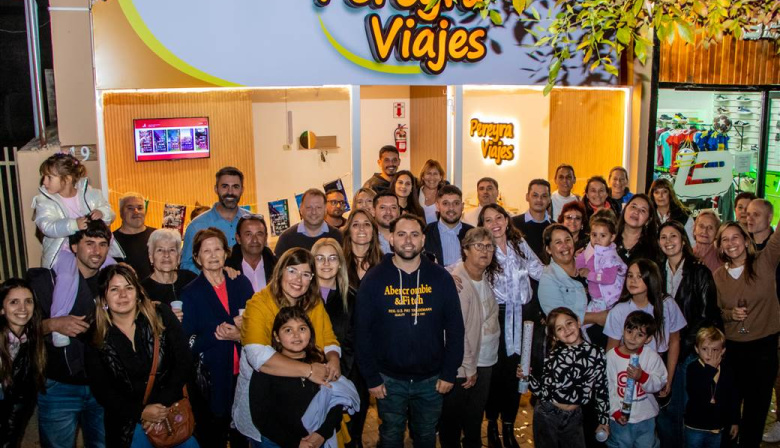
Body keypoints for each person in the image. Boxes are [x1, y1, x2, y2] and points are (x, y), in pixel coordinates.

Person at [355, 213, 464, 448]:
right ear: (391, 239)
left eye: (414, 234)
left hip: (432, 379)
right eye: (401, 234)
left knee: (426, 435)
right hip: (388, 379)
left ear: (423, 240)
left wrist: (449, 373)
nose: (408, 240)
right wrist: (371, 377)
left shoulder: (441, 278)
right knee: (390, 435)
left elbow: (456, 329)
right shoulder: (373, 280)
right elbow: (362, 333)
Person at [85, 264, 198, 448]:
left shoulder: (162, 315)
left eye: (129, 288)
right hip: (128, 425)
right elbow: (102, 390)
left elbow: (184, 361)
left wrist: (160, 408)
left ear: (138, 293)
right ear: (104, 298)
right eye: (114, 289)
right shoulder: (96, 335)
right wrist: (141, 412)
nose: (123, 295)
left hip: (171, 414)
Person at [27, 220, 112, 447]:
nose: (97, 251)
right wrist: (52, 324)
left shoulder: (113, 282)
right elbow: (20, 331)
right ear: (74, 246)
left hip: (103, 384)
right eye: (89, 243)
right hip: (60, 386)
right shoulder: (47, 281)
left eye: (103, 244)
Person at [33, 153, 122, 348]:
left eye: (49, 177)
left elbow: (109, 211)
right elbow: (46, 225)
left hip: (87, 247)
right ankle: (59, 324)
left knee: (117, 273)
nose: (44, 182)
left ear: (66, 179)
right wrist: (73, 224)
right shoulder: (44, 200)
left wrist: (102, 213)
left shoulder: (90, 193)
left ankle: (122, 316)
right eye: (44, 177)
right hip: (63, 250)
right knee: (67, 276)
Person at [181, 228, 254, 448]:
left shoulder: (240, 283)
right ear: (197, 258)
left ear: (226, 253)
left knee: (244, 436)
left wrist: (240, 335)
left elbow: (258, 328)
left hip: (245, 374)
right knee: (214, 437)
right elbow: (187, 343)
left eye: (218, 249)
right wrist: (217, 334)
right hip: (212, 379)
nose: (213, 255)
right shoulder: (190, 292)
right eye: (206, 251)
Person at [244, 307, 358, 448]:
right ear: (277, 336)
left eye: (302, 329)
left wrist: (322, 434)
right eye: (288, 330)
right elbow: (260, 415)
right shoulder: (267, 367)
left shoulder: (320, 363)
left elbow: (335, 403)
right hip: (277, 442)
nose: (296, 335)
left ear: (310, 332)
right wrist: (296, 443)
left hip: (316, 440)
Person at [478, 204, 543, 448]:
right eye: (488, 220)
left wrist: (566, 271)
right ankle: (492, 424)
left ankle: (508, 425)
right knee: (496, 374)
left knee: (518, 372)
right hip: (498, 317)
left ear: (506, 220)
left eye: (499, 217)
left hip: (524, 317)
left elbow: (539, 270)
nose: (495, 223)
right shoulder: (483, 248)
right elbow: (463, 269)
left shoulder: (519, 244)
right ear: (482, 225)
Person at [655, 221, 722, 447]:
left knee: (683, 408)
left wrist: (682, 346)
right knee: (663, 408)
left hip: (689, 351)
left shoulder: (699, 272)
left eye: (673, 236)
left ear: (683, 240)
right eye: (663, 237)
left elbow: (705, 315)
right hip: (661, 349)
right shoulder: (656, 271)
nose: (668, 241)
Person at [713, 221, 780, 447]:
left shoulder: (764, 261)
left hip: (763, 349)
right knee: (729, 411)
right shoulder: (718, 276)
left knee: (756, 413)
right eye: (725, 239)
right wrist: (730, 314)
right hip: (732, 351)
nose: (731, 243)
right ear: (720, 246)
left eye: (735, 237)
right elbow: (715, 313)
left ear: (745, 240)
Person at [439, 228, 500, 448]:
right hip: (463, 366)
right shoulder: (458, 282)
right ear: (465, 250)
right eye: (479, 246)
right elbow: (456, 331)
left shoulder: (484, 278)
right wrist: (468, 366)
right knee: (453, 421)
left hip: (485, 360)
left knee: (474, 419)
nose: (485, 251)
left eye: (489, 246)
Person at [240, 247, 341, 382]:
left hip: (307, 384)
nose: (298, 280)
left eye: (306, 274)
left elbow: (328, 338)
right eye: (292, 271)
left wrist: (334, 360)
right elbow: (257, 355)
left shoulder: (314, 302)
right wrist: (309, 370)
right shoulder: (258, 304)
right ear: (280, 271)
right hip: (263, 384)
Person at [604, 260, 686, 419]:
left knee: (658, 419)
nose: (633, 280)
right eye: (630, 276)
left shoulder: (666, 304)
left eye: (639, 276)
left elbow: (675, 341)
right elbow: (611, 351)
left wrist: (668, 379)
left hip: (657, 369)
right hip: (627, 372)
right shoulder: (619, 310)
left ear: (651, 279)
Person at [518, 307, 610, 448]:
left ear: (578, 322)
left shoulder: (596, 353)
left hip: (575, 416)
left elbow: (602, 388)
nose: (566, 330)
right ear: (555, 336)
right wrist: (527, 378)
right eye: (559, 328)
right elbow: (545, 391)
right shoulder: (554, 356)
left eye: (569, 323)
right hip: (547, 414)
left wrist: (604, 420)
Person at [311, 238, 367, 447]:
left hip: (349, 375)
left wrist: (339, 372)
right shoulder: (301, 296)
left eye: (332, 258)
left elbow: (358, 341)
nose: (326, 264)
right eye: (320, 258)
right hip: (309, 377)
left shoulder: (353, 298)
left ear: (340, 263)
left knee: (350, 438)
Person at [605, 311, 668, 448]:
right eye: (629, 331)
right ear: (623, 331)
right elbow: (608, 388)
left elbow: (661, 381)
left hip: (646, 417)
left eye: (640, 335)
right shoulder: (611, 357)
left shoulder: (651, 357)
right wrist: (615, 412)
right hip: (619, 418)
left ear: (648, 339)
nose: (632, 338)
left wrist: (642, 377)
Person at [0, 279, 46, 446]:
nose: (23, 308)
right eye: (14, 302)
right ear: (2, 309)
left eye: (28, 301)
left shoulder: (30, 341)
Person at [181, 167, 251, 273]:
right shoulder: (196, 226)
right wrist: (214, 275)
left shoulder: (253, 222)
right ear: (216, 189)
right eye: (225, 186)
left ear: (242, 190)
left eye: (235, 187)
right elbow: (186, 266)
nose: (230, 192)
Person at [685, 327, 739, 448]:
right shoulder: (693, 368)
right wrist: (710, 369)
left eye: (715, 350)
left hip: (717, 427)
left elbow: (733, 397)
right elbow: (696, 393)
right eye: (704, 349)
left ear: (722, 351)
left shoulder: (727, 369)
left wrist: (734, 421)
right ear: (697, 349)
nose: (709, 354)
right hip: (695, 427)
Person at [575, 216, 627, 328]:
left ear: (612, 237)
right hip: (594, 298)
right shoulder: (590, 250)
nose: (597, 239)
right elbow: (580, 261)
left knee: (580, 323)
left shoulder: (611, 257)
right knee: (579, 322)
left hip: (607, 300)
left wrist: (589, 274)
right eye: (594, 235)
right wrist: (579, 268)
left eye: (603, 236)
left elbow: (608, 278)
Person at [140, 229, 197, 315]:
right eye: (160, 250)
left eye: (172, 250)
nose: (166, 255)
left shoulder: (191, 279)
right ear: (151, 257)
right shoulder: (143, 291)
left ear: (179, 257)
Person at [274, 189, 343, 257]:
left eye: (318, 207)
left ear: (325, 210)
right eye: (309, 207)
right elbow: (278, 264)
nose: (314, 212)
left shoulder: (337, 236)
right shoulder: (286, 238)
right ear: (301, 209)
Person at [424, 185, 473, 267]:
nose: (451, 208)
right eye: (445, 203)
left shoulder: (472, 233)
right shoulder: (426, 233)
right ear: (437, 206)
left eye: (456, 203)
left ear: (462, 206)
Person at [226, 215, 277, 293]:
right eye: (248, 234)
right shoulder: (227, 269)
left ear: (266, 238)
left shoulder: (277, 266)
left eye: (259, 234)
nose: (254, 240)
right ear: (238, 238)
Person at [112, 192, 156, 280]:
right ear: (121, 212)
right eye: (130, 208)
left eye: (140, 208)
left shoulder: (157, 236)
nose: (136, 211)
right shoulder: (111, 240)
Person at [342, 208, 383, 290]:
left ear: (373, 232)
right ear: (349, 231)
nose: (361, 228)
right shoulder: (339, 263)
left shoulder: (384, 263)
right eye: (356, 225)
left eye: (366, 224)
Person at [511, 179, 553, 258]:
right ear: (527, 197)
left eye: (544, 196)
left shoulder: (555, 227)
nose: (539, 200)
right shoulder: (513, 224)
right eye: (535, 195)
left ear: (549, 199)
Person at [615, 195, 660, 264]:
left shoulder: (653, 248)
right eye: (633, 207)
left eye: (643, 210)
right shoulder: (609, 238)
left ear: (648, 220)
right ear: (625, 209)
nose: (636, 212)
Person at [650, 178, 694, 244]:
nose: (660, 196)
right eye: (657, 192)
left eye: (664, 192)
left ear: (670, 194)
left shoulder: (684, 217)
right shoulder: (648, 217)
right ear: (652, 195)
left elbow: (692, 244)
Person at [419, 159, 445, 224]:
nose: (432, 177)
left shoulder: (444, 197)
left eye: (435, 174)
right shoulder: (415, 196)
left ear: (440, 177)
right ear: (423, 177)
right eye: (429, 173)